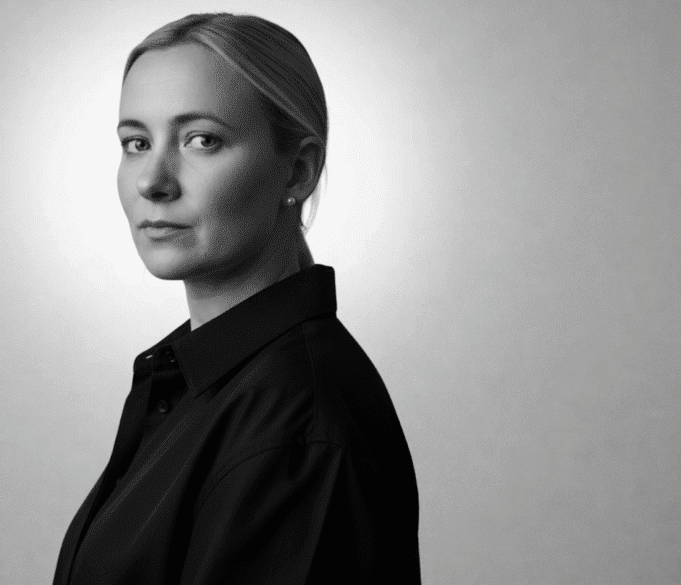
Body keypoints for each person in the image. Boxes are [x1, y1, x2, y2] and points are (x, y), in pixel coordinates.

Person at [53, 12, 421, 584]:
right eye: (136, 142)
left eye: (202, 140)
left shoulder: (292, 424)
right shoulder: (201, 382)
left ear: (298, 170)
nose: (154, 180)